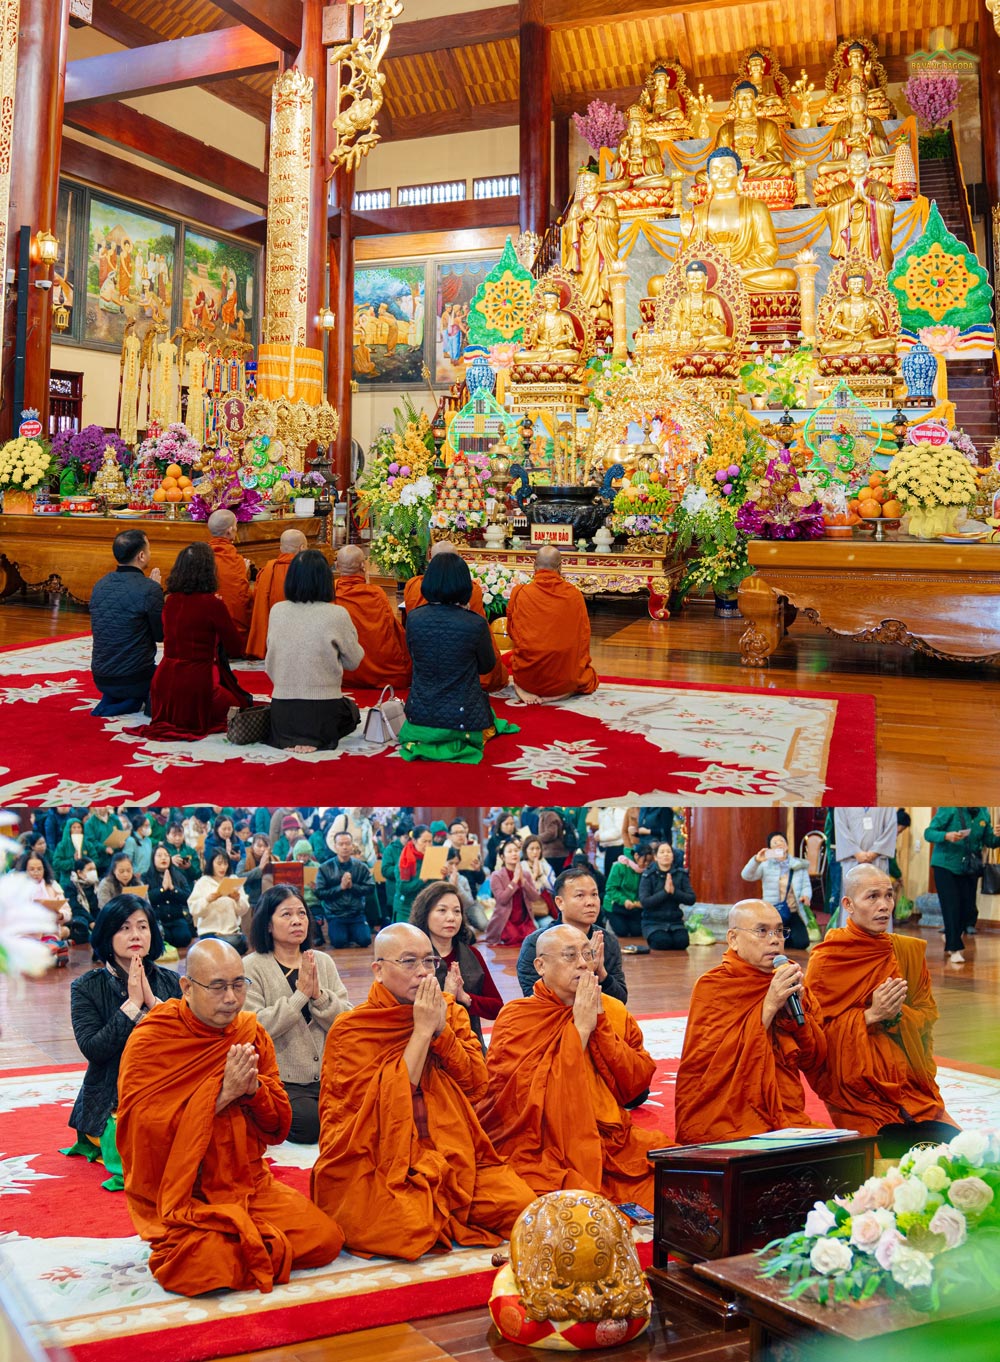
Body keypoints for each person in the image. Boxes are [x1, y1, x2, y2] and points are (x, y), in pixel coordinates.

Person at [116, 938, 344, 1294]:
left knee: (325, 1239)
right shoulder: (153, 1039)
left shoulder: (249, 1032)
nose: (231, 998)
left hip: (247, 1184)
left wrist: (253, 1092)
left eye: (239, 985)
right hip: (184, 1192)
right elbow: (142, 1135)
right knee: (204, 1269)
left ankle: (240, 1239)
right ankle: (240, 1241)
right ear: (187, 988)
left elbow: (276, 1126)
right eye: (218, 987)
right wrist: (220, 1097)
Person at [311, 924, 534, 1258]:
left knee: (523, 1208)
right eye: (408, 962)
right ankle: (429, 1208)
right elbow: (371, 1116)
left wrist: (441, 1030)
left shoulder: (450, 1011)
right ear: (379, 971)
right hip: (380, 1160)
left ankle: (439, 1204)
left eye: (428, 962)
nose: (421, 973)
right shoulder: (352, 1029)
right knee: (409, 1229)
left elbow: (476, 1085)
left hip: (452, 1152)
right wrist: (421, 1033)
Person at [482, 924, 665, 1207]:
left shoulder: (612, 1009)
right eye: (570, 956)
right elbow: (513, 1101)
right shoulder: (517, 1017)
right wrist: (579, 1031)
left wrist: (600, 1024)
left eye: (587, 953)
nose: (582, 963)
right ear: (540, 965)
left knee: (673, 1168)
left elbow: (635, 1087)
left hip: (609, 1138)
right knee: (514, 1196)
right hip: (543, 1142)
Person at [805, 864, 960, 1157]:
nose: (884, 906)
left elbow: (927, 1014)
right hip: (857, 1089)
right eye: (872, 897)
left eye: (889, 895)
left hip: (912, 1083)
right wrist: (869, 1016)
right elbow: (813, 1039)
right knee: (883, 1165)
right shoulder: (828, 960)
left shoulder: (907, 952)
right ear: (848, 905)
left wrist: (898, 1015)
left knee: (963, 1160)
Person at [674, 899, 828, 1143]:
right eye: (762, 931)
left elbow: (815, 1058)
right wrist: (768, 1007)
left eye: (779, 930)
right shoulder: (713, 987)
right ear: (733, 939)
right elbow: (711, 1070)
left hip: (784, 1113)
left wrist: (795, 1016)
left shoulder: (790, 980)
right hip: (725, 1115)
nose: (775, 939)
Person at [63, 898, 182, 1189]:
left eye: (142, 927)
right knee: (136, 1145)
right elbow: (93, 1049)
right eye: (125, 928)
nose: (136, 935)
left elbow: (185, 1040)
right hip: (112, 1096)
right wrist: (132, 1005)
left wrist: (154, 1004)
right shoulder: (87, 987)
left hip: (168, 1087)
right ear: (107, 935)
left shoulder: (172, 982)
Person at [244, 886, 352, 1143]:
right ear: (268, 924)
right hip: (283, 1079)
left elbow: (347, 1020)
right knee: (310, 1124)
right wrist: (299, 997)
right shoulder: (251, 966)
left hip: (329, 1072)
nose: (296, 921)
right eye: (286, 915)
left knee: (362, 1110)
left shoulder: (322, 961)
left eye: (302, 913)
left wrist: (319, 997)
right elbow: (255, 1027)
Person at [401, 551, 514, 763]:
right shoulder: (474, 623)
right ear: (464, 584)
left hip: (419, 716)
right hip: (463, 717)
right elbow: (486, 667)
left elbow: (414, 656)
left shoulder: (414, 618)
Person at [264, 549, 363, 754]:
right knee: (352, 712)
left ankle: (296, 736)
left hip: (283, 714)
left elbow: (270, 663)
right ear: (326, 580)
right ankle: (315, 737)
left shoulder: (277, 610)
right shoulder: (336, 613)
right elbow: (354, 661)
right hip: (323, 712)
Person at [147, 542, 248, 741]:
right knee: (240, 707)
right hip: (196, 682)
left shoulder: (171, 601)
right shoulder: (213, 604)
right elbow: (236, 648)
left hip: (163, 682)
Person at [403, 541, 507, 694]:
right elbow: (486, 665)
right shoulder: (473, 603)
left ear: (430, 561)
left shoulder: (413, 604)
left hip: (423, 693)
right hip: (464, 698)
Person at [409, 881, 503, 1050]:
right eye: (442, 910)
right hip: (427, 1048)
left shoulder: (472, 955)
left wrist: (465, 998)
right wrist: (446, 996)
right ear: (425, 914)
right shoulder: (413, 958)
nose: (451, 917)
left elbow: (496, 1007)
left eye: (457, 911)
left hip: (469, 1045)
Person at [516, 865, 627, 1001]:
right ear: (560, 902)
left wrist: (601, 972)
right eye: (580, 895)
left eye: (594, 894)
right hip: (553, 1019)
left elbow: (621, 1000)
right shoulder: (537, 943)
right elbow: (533, 999)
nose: (590, 902)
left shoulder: (606, 941)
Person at [506, 547, 599, 704]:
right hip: (564, 678)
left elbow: (512, 632)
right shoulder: (574, 594)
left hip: (529, 678)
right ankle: (564, 691)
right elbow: (583, 639)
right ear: (560, 567)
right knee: (586, 674)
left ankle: (521, 687)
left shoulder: (520, 593)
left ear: (534, 566)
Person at [89, 529, 164, 716]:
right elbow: (160, 635)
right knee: (177, 678)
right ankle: (134, 700)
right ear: (141, 555)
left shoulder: (100, 584)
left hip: (101, 677)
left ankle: (116, 699)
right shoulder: (149, 589)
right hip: (135, 678)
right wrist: (156, 591)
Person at [924, 807, 1000, 964]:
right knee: (951, 907)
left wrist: (998, 836)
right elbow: (928, 832)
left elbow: (990, 841)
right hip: (945, 865)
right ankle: (954, 948)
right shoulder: (950, 809)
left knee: (968, 910)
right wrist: (946, 835)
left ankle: (950, 934)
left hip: (969, 867)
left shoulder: (984, 813)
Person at [333, 545, 412, 689]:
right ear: (363, 565)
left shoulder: (330, 591)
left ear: (337, 566)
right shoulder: (375, 593)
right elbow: (391, 631)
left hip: (342, 672)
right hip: (377, 671)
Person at [741, 831, 813, 950]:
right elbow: (746, 875)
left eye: (782, 841)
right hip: (773, 912)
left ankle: (783, 938)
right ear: (770, 849)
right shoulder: (765, 865)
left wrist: (806, 896)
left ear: (787, 845)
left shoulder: (798, 865)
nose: (779, 844)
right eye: (775, 843)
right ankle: (778, 937)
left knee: (802, 942)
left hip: (793, 911)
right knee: (768, 942)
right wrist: (756, 860)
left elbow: (806, 885)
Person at [830, 807, 900, 928]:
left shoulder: (885, 801)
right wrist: (856, 852)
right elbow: (840, 827)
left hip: (878, 860)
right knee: (853, 898)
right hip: (852, 860)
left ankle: (879, 942)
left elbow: (891, 827)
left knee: (879, 898)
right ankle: (851, 941)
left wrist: (874, 852)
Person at [244, 528, 307, 660]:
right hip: (302, 641)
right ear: (302, 548)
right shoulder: (307, 572)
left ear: (280, 548)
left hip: (272, 639)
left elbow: (257, 601)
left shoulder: (267, 571)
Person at [314, 832, 375, 949]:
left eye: (347, 843)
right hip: (335, 914)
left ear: (352, 845)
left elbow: (370, 888)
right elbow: (319, 892)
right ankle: (348, 934)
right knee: (339, 942)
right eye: (341, 844)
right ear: (335, 846)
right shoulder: (325, 868)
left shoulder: (361, 867)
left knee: (365, 940)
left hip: (356, 913)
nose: (344, 847)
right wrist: (340, 888)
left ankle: (353, 932)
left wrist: (352, 886)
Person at [207, 508, 252, 655]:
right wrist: (244, 574)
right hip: (234, 635)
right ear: (230, 530)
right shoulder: (236, 561)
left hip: (208, 635)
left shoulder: (202, 557)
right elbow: (240, 598)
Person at [188, 849, 250, 953]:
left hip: (231, 932)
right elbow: (193, 909)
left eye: (225, 864)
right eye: (219, 863)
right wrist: (208, 900)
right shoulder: (203, 882)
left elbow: (243, 911)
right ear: (211, 863)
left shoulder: (233, 879)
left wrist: (237, 899)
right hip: (210, 931)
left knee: (241, 944)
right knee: (219, 949)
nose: (222, 867)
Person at [639, 841, 696, 950]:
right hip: (653, 922)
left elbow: (691, 898)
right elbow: (645, 902)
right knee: (662, 942)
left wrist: (674, 892)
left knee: (682, 942)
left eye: (669, 852)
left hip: (675, 922)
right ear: (656, 857)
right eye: (662, 852)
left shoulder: (680, 874)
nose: (666, 854)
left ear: (673, 856)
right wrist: (665, 892)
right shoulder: (648, 875)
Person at [485, 838, 535, 946]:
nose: (514, 854)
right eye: (510, 851)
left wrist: (524, 882)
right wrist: (514, 881)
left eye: (516, 851)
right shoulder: (496, 875)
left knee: (531, 939)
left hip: (524, 919)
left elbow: (534, 897)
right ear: (502, 857)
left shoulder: (525, 874)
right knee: (514, 938)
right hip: (506, 920)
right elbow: (502, 900)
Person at [147, 844, 194, 948]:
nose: (163, 858)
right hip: (158, 919)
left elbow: (188, 898)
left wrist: (173, 889)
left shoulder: (179, 876)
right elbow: (147, 898)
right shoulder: (146, 876)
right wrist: (162, 889)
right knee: (163, 938)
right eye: (159, 855)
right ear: (153, 859)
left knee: (184, 938)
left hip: (177, 918)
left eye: (166, 855)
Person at [604, 842, 654, 938]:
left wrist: (639, 902)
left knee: (637, 932)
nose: (646, 864)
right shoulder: (620, 866)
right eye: (644, 860)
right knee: (622, 931)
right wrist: (624, 900)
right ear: (636, 855)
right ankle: (609, 921)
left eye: (649, 861)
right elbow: (610, 889)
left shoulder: (647, 872)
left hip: (634, 907)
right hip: (616, 904)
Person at [393, 823, 432, 922]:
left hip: (428, 906)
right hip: (406, 908)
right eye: (424, 841)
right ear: (414, 840)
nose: (427, 845)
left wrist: (443, 875)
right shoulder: (405, 860)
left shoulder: (433, 858)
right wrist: (421, 880)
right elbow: (402, 888)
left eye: (430, 842)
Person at [520, 835, 556, 925]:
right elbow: (525, 890)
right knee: (534, 927)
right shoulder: (521, 866)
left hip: (542, 908)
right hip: (525, 911)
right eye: (531, 849)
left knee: (550, 925)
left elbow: (554, 888)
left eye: (537, 848)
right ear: (525, 851)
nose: (535, 852)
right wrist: (534, 875)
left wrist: (541, 875)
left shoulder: (545, 865)